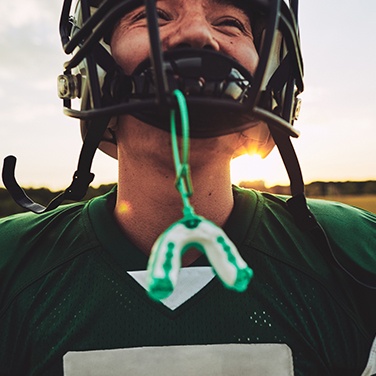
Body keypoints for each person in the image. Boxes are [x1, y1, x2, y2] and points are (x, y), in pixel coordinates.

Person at [0, 0, 375, 375]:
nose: (197, 34)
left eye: (229, 23)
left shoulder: (357, 254)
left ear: (270, 70)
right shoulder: (12, 263)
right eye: (157, 15)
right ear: (95, 66)